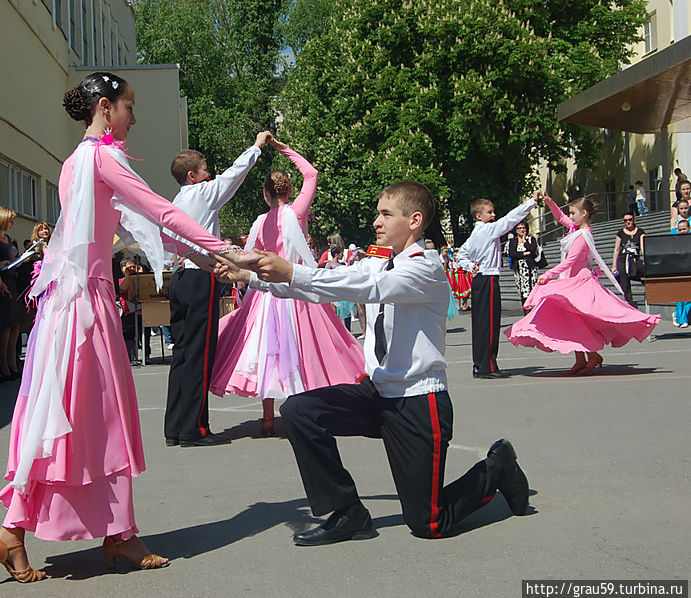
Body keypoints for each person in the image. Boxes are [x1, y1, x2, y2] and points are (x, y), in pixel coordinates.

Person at [0, 72, 257, 583]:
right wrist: (225, 249)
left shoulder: (75, 161)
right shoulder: (104, 158)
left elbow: (137, 226)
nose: (134, 117)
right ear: (106, 108)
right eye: (130, 107)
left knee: (61, 415)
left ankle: (26, 531)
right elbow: (159, 212)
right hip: (84, 308)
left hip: (67, 305)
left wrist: (205, 254)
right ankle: (108, 535)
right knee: (99, 418)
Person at [214, 181, 530, 544]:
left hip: (417, 402)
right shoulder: (380, 261)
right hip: (377, 394)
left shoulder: (423, 268)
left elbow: (365, 290)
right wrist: (253, 277)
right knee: (300, 411)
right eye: (377, 213)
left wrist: (289, 270)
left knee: (429, 523)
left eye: (386, 214)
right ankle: (348, 512)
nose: (377, 221)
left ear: (414, 220)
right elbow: (333, 282)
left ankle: (498, 467)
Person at [210, 141, 365, 436]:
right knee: (308, 349)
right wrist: (283, 148)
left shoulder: (259, 222)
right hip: (295, 287)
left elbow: (249, 257)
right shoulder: (296, 213)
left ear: (266, 193)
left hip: (265, 294)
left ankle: (267, 418)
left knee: (266, 352)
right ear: (288, 191)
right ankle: (306, 409)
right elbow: (312, 174)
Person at [163, 131, 271, 448]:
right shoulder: (203, 193)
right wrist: (255, 147)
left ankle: (175, 426)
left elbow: (167, 239)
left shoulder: (175, 202)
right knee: (200, 353)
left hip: (180, 276)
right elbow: (234, 176)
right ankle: (194, 429)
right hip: (200, 276)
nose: (210, 173)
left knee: (182, 354)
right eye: (205, 168)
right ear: (193, 175)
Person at [505, 197, 660, 374]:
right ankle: (583, 358)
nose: (570, 217)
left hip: (580, 282)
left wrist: (548, 274)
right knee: (573, 320)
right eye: (570, 213)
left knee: (583, 318)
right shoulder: (575, 229)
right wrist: (550, 203)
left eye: (573, 213)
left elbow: (571, 261)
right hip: (570, 281)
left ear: (584, 214)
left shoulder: (583, 235)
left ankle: (591, 355)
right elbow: (561, 218)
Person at [455, 193, 540, 378]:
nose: (493, 215)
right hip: (488, 280)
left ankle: (479, 365)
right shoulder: (487, 230)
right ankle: (488, 367)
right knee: (490, 324)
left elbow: (460, 255)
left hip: (480, 280)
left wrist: (471, 267)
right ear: (479, 216)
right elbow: (510, 219)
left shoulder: (475, 234)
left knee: (480, 324)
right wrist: (532, 202)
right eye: (490, 212)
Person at [0, 207, 24, 380]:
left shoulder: (9, 239)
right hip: (2, 283)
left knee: (16, 325)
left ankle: (12, 362)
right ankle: (2, 364)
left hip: (13, 281)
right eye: (10, 220)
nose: (12, 224)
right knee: (6, 326)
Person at [506, 221, 544, 314]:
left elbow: (532, 249)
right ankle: (526, 311)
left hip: (530, 269)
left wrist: (524, 240)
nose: (522, 230)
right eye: (520, 228)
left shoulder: (531, 239)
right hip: (519, 270)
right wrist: (524, 253)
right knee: (523, 291)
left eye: (524, 228)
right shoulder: (512, 241)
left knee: (531, 290)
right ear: (516, 230)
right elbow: (512, 253)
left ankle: (533, 311)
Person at [611, 212, 646, 306]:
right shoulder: (620, 233)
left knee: (645, 273)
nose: (628, 222)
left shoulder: (640, 232)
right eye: (625, 220)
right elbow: (617, 249)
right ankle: (629, 303)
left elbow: (643, 247)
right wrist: (614, 265)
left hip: (635, 259)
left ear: (634, 219)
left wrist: (646, 259)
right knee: (624, 282)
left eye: (630, 219)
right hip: (623, 260)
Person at [671, 219, 691, 327]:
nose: (683, 231)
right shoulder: (675, 242)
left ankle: (679, 315)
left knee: (689, 297)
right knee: (680, 297)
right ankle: (682, 319)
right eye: (680, 229)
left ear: (689, 229)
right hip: (679, 270)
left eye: (685, 229)